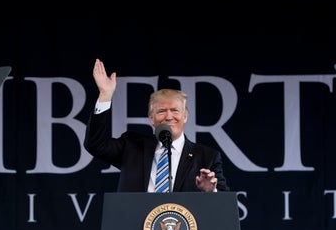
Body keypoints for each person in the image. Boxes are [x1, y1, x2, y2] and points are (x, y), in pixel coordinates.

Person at [84, 58, 228, 193]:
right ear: (151, 119)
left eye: (175, 110)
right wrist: (105, 95)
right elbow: (95, 144)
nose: (168, 116)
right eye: (161, 111)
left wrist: (211, 192)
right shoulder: (131, 147)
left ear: (185, 117)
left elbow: (224, 204)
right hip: (136, 219)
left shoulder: (206, 157)